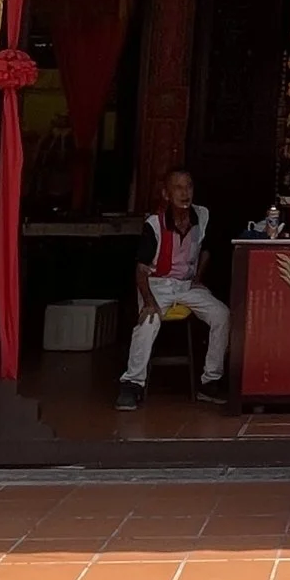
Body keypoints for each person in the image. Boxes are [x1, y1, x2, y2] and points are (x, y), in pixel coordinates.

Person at [115, 166, 228, 404]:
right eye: (177, 188)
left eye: (188, 187)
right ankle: (132, 383)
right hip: (157, 285)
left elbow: (206, 249)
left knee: (222, 315)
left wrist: (198, 278)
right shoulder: (154, 224)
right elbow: (141, 270)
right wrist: (148, 302)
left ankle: (210, 382)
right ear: (166, 194)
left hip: (187, 285)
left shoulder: (202, 215)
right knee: (148, 321)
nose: (184, 192)